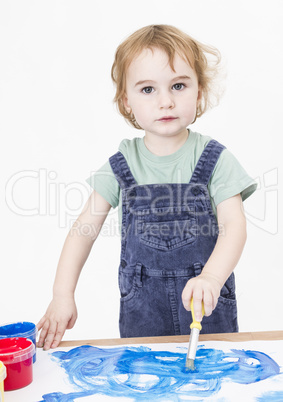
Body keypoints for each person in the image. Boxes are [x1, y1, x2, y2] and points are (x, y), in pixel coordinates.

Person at [37, 24, 257, 350]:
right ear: (126, 101)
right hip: (143, 315)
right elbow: (83, 229)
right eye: (148, 90)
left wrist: (211, 277)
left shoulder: (215, 159)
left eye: (179, 85)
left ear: (199, 92)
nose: (165, 101)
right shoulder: (122, 164)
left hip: (206, 310)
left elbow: (234, 226)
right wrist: (62, 294)